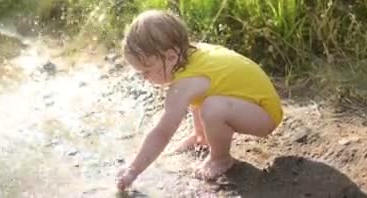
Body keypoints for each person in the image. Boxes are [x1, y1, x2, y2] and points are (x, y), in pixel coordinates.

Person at [115, 10, 283, 191]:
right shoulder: (190, 57)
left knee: (213, 107)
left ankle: (221, 158)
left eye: (146, 71)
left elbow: (162, 132)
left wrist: (134, 169)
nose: (145, 78)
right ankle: (201, 136)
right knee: (209, 98)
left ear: (171, 56)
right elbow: (206, 92)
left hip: (264, 115)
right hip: (256, 104)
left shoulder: (184, 84)